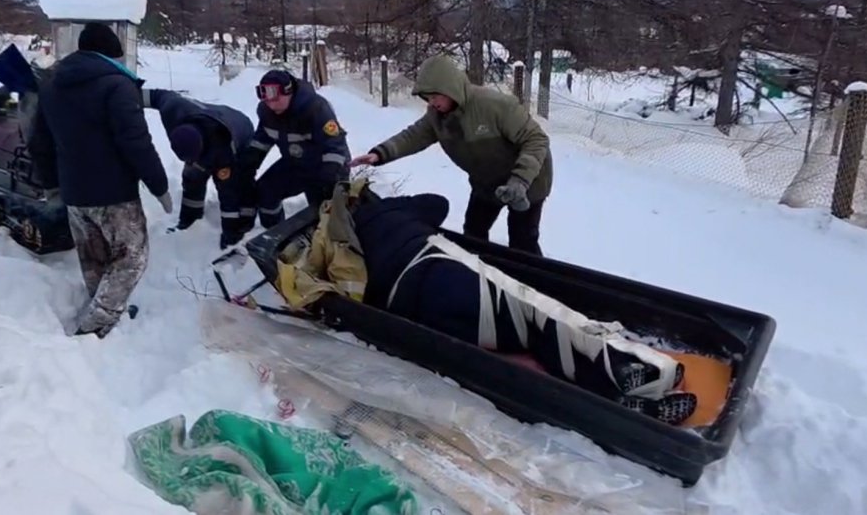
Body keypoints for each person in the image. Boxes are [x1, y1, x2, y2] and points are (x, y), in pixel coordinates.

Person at [348, 191, 697, 425]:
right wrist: (399, 203)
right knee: (538, 318)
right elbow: (437, 204)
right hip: (438, 273)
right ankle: (625, 367)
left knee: (523, 352)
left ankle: (617, 405)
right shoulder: (390, 209)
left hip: (413, 311)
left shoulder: (347, 247)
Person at [28, 22, 173, 338]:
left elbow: (39, 140)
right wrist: (159, 184)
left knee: (94, 258)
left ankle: (105, 308)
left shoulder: (52, 85)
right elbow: (135, 141)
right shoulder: (117, 86)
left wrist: (50, 182)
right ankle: (96, 324)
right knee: (132, 257)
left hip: (75, 193)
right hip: (114, 192)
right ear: (112, 54)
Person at [350, 55, 552, 255]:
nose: (432, 102)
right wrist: (380, 154)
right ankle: (479, 276)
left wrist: (520, 181)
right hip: (486, 182)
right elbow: (412, 137)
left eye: (435, 96)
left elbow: (536, 139)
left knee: (522, 241)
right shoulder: (437, 117)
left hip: (528, 179)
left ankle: (536, 286)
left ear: (450, 89)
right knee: (473, 232)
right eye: (427, 98)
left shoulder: (494, 105)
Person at [238, 69, 351, 228]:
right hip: (296, 163)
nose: (271, 103)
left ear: (289, 92)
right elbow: (262, 141)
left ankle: (323, 241)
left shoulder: (315, 109)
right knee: (266, 191)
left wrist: (328, 176)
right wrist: (248, 163)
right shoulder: (267, 113)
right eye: (265, 96)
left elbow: (335, 147)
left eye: (275, 96)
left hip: (326, 166)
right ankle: (275, 235)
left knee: (323, 209)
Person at [146, 88, 256, 248]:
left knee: (237, 184)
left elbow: (228, 194)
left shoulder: (222, 150)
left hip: (240, 128)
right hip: (211, 116)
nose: (191, 164)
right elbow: (158, 95)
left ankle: (244, 224)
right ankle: (189, 221)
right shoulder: (174, 110)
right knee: (192, 177)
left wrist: (231, 235)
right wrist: (124, 93)